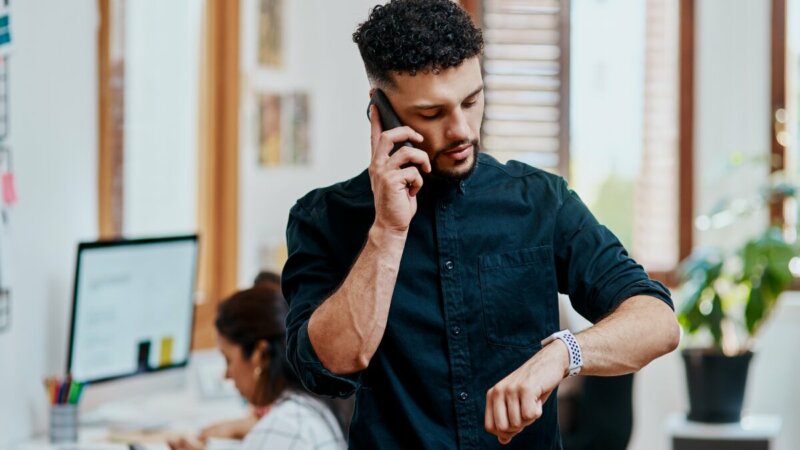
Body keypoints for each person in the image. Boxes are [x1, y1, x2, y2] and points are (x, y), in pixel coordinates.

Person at [281, 1, 680, 448]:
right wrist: (388, 232)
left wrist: (561, 355)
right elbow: (331, 364)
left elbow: (658, 321)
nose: (461, 130)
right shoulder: (323, 219)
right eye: (432, 113)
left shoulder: (541, 202)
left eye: (471, 100)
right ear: (382, 114)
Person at [168, 283, 346, 450]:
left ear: (261, 355)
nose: (226, 375)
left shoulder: (284, 427)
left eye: (228, 359)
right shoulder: (317, 406)